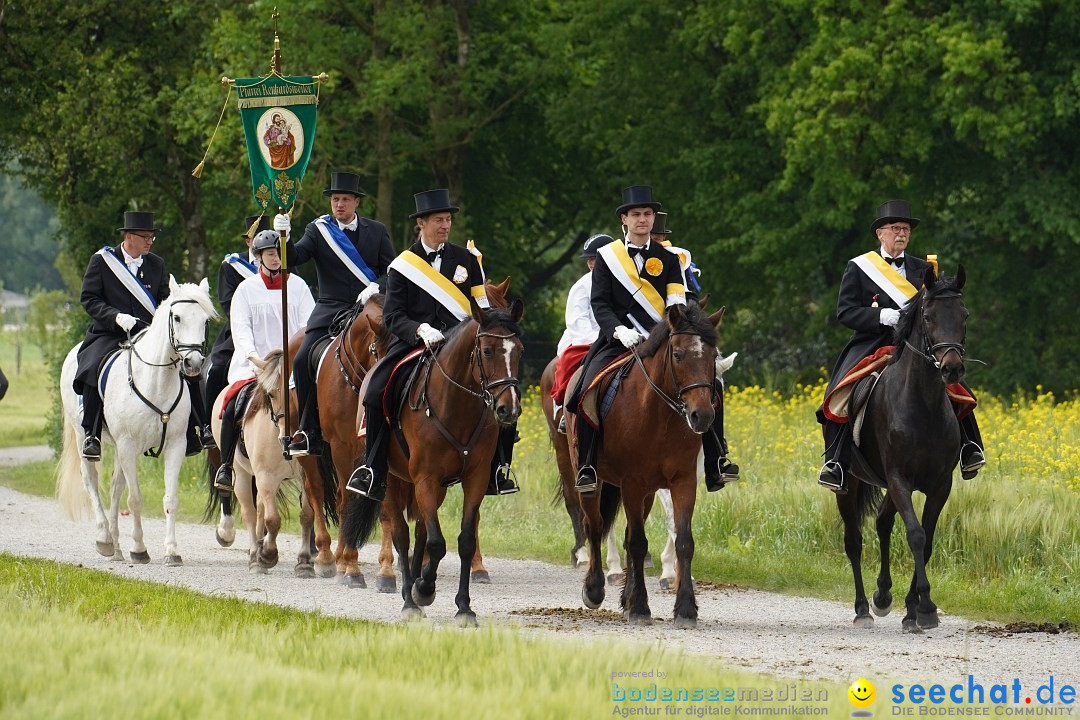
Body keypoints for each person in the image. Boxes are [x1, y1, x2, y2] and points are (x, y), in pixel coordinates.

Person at [345, 188, 519, 501]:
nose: (445, 226)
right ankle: (372, 468)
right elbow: (394, 317)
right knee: (373, 393)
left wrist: (501, 322)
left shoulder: (467, 260)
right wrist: (420, 329)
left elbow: (481, 307)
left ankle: (498, 468)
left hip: (461, 346)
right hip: (414, 344)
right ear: (421, 224)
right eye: (439, 220)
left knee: (502, 391)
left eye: (448, 220)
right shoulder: (402, 265)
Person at [816, 199, 986, 493]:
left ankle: (970, 447)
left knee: (958, 387)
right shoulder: (859, 267)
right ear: (880, 234)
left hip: (916, 346)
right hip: (872, 343)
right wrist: (881, 316)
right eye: (895, 228)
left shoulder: (924, 269)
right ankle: (837, 464)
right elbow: (845, 312)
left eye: (905, 229)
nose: (901, 234)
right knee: (839, 392)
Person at [565, 186, 690, 494]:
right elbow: (600, 303)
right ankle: (587, 465)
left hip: (660, 340)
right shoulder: (608, 258)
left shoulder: (670, 259)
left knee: (709, 382)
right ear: (624, 219)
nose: (643, 220)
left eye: (648, 215)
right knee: (585, 388)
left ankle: (718, 458)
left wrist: (668, 332)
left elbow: (675, 303)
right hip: (616, 340)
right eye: (636, 215)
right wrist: (618, 330)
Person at [74, 211, 214, 460]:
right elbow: (89, 298)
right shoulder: (103, 261)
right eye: (146, 237)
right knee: (92, 367)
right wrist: (115, 316)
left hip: (148, 333)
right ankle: (91, 434)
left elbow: (163, 303)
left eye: (152, 238)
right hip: (109, 332)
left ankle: (197, 430)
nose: (150, 242)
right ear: (129, 237)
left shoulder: (156, 264)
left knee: (186, 367)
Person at [273, 171, 395, 456]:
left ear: (356, 202)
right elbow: (293, 261)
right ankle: (308, 429)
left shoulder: (376, 230)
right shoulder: (318, 230)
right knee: (302, 359)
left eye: (344, 199)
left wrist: (376, 286)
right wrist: (285, 237)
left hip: (370, 305)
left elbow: (391, 271)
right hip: (330, 308)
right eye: (335, 199)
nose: (338, 204)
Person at [213, 230, 315, 491]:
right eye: (270, 254)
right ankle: (226, 464)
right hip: (256, 364)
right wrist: (254, 358)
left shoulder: (298, 286)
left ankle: (318, 454)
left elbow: (307, 326)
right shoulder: (245, 290)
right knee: (233, 402)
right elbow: (240, 327)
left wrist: (295, 358)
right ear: (258, 257)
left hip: (291, 365)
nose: (275, 259)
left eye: (279, 253)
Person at [647, 210, 738, 487]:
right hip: (629, 332)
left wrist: (689, 322)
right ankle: (590, 458)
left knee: (714, 383)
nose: (655, 238)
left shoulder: (677, 259)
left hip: (674, 331)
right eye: (652, 234)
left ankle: (715, 459)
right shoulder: (619, 259)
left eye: (659, 234)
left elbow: (691, 300)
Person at [550, 233, 617, 431]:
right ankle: (565, 407)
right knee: (570, 362)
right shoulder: (581, 286)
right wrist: (598, 340)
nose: (591, 263)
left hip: (621, 336)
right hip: (585, 338)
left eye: (596, 259)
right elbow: (576, 321)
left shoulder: (624, 281)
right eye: (589, 259)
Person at [203, 215, 264, 424]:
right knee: (216, 369)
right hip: (240, 330)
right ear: (248, 241)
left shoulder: (283, 264)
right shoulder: (231, 266)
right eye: (257, 239)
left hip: (277, 329)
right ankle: (207, 426)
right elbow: (228, 303)